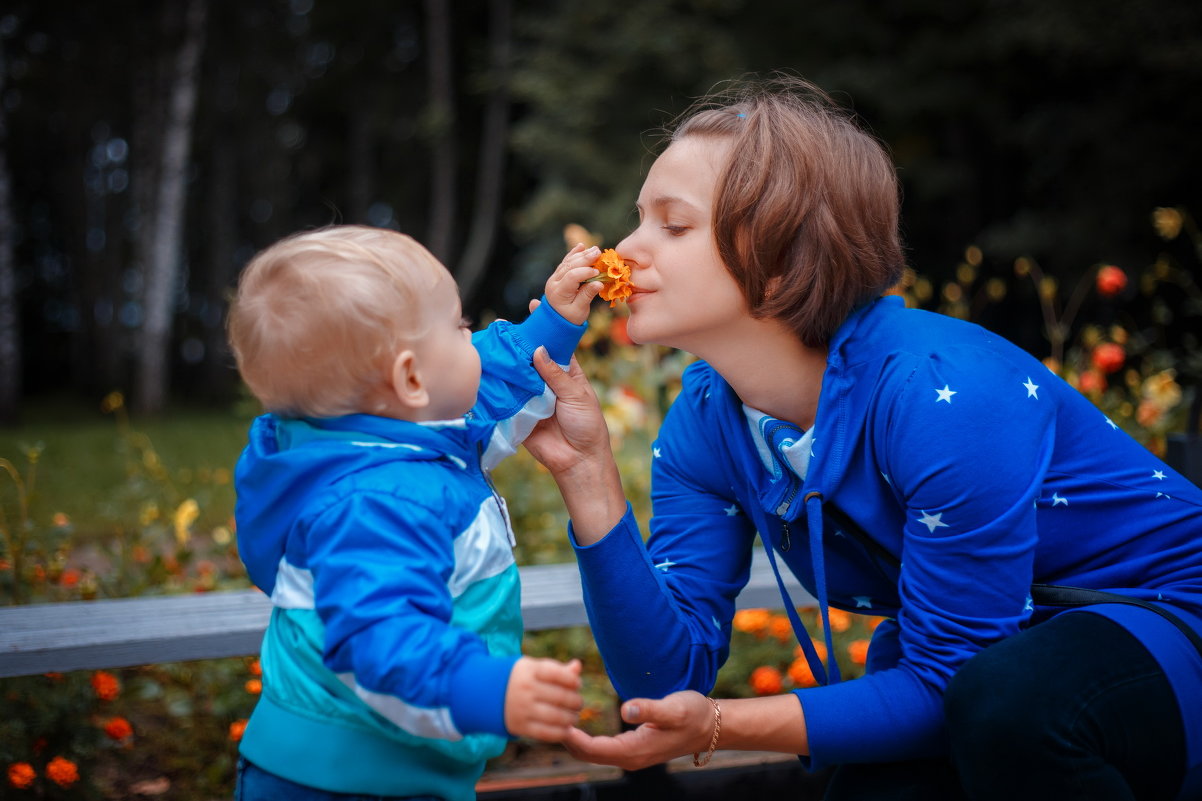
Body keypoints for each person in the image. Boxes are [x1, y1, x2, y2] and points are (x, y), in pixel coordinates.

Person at [523, 76, 1202, 801]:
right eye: (637, 220)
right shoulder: (704, 423)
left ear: (784, 256)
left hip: (1159, 618)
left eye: (674, 225)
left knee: (1015, 706)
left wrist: (724, 722)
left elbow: (959, 683)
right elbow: (664, 683)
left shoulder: (940, 389)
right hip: (989, 665)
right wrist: (587, 475)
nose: (625, 249)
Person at [226, 225, 602, 801]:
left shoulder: (402, 439)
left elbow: (486, 392)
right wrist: (486, 688)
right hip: (348, 779)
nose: (472, 335)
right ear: (409, 378)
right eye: (458, 328)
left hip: (378, 762)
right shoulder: (376, 504)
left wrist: (550, 325)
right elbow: (382, 636)